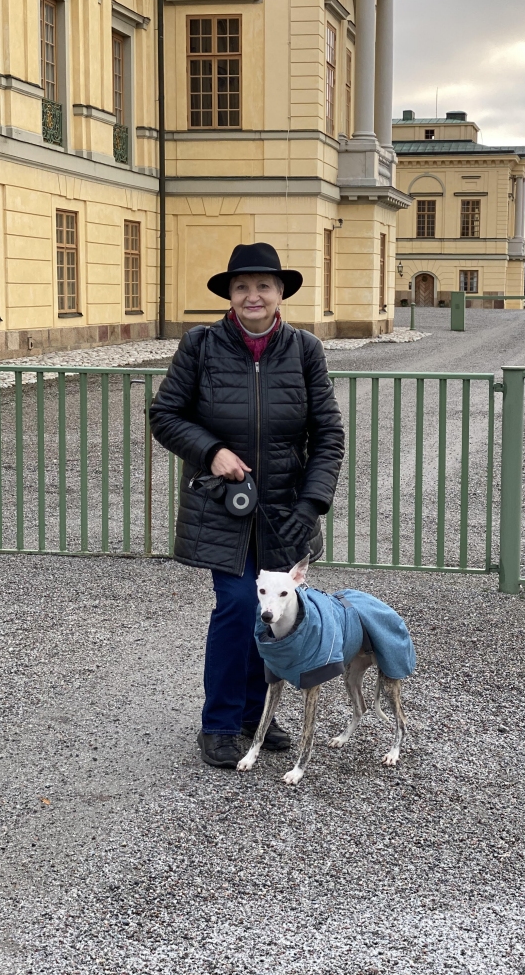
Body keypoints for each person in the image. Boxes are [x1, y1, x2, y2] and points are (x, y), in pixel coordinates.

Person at [149, 243, 345, 769]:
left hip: (285, 510)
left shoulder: (304, 349)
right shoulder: (201, 345)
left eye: (263, 286)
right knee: (238, 606)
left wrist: (313, 501)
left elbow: (328, 433)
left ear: (280, 293)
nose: (252, 295)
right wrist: (211, 452)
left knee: (276, 612)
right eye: (242, 287)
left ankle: (256, 715)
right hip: (223, 505)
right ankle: (219, 721)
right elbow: (165, 415)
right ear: (230, 296)